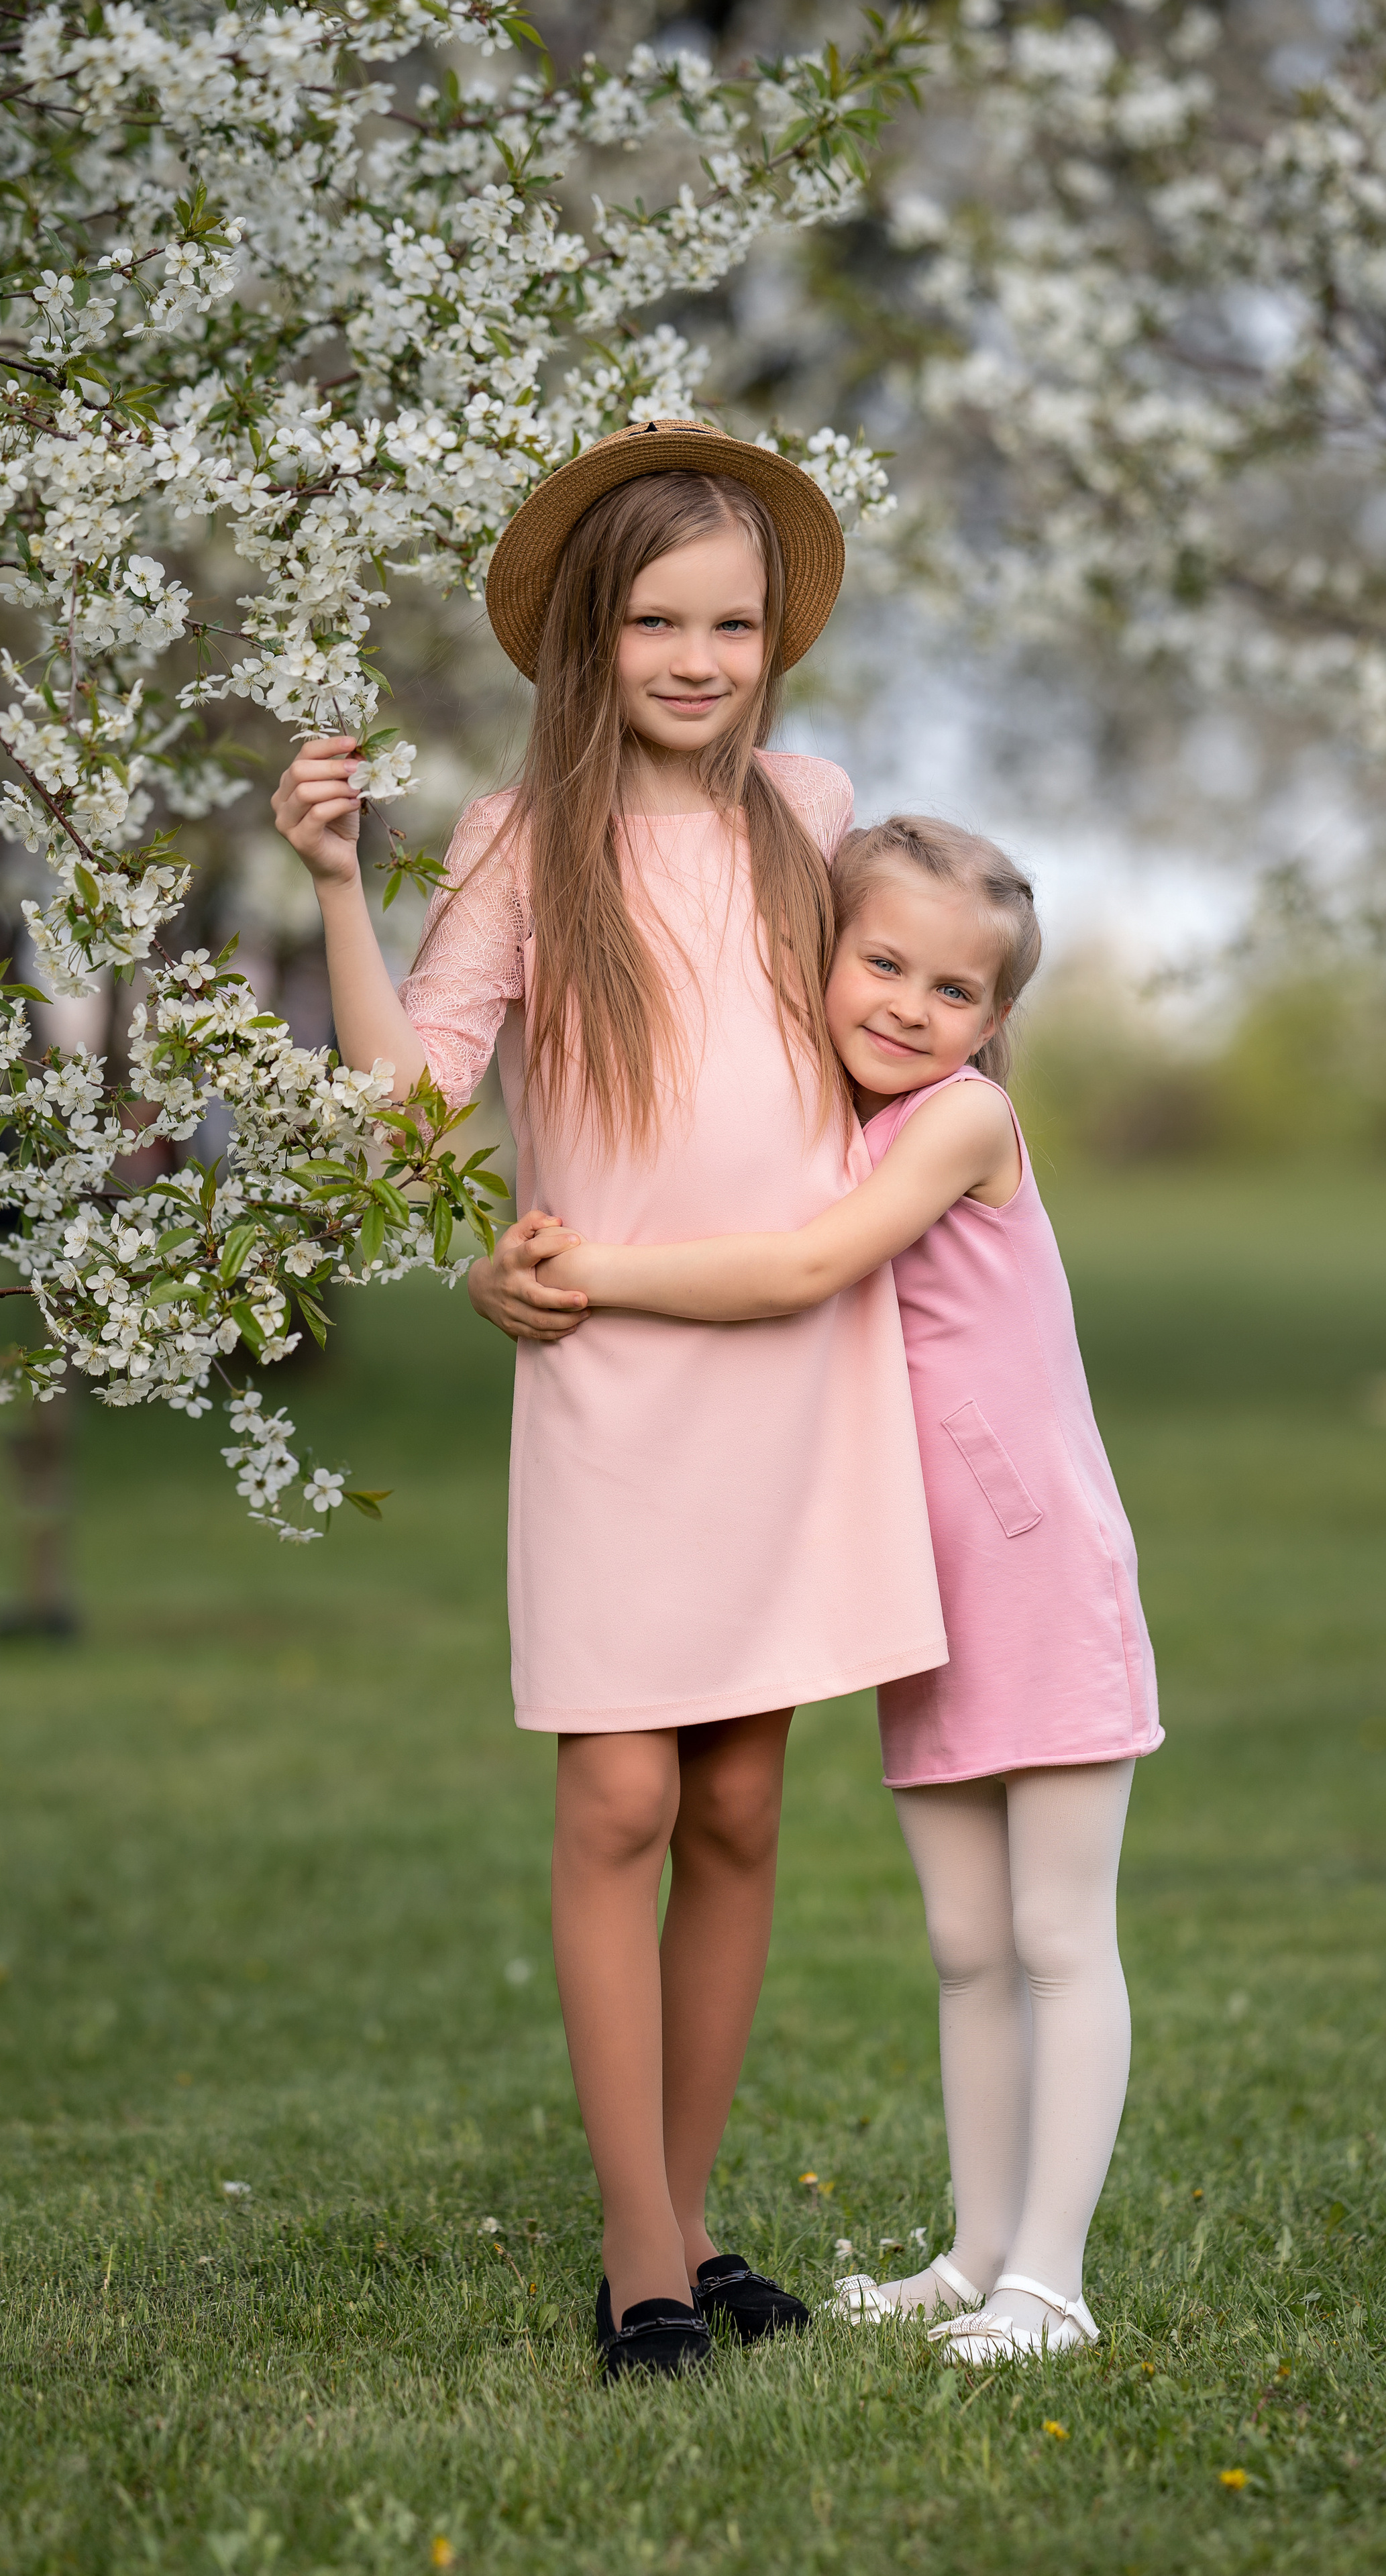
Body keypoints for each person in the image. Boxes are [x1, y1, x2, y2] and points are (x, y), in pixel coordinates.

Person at [271, 426, 947, 2379]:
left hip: (796, 1361)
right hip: (614, 1365)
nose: (699, 655)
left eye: (734, 622)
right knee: (622, 1791)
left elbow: (887, 1035)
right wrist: (333, 888)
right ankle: (639, 2253)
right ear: (589, 633)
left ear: (775, 643)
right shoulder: (518, 838)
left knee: (739, 1798)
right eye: (658, 618)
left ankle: (703, 2212)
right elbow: (414, 1103)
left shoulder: (810, 812)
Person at [525, 812, 1164, 2363]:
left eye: (951, 992)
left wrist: (584, 1271)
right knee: (958, 1940)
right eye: (877, 962)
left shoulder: (955, 1125)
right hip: (909, 1582)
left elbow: (804, 1273)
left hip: (1032, 1572)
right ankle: (975, 2252)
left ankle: (1050, 2287)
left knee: (1054, 1934)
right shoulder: (837, 1114)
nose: (904, 1006)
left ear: (992, 1026)